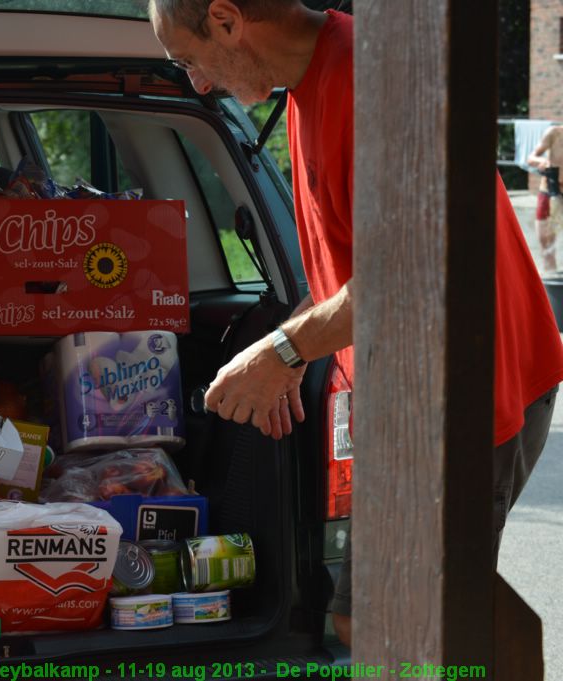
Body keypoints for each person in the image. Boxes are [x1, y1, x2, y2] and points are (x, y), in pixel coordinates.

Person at [149, 0, 563, 648]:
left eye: (189, 59)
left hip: (480, 389)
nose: (198, 83)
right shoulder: (304, 87)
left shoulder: (376, 83)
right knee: (390, 616)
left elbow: (410, 275)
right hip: (418, 398)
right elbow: (351, 262)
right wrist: (291, 341)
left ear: (227, 20)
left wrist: (283, 352)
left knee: (409, 623)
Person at [527, 124, 563, 271]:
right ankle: (551, 285)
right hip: (550, 190)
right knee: (546, 245)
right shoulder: (554, 133)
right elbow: (531, 158)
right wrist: (542, 162)